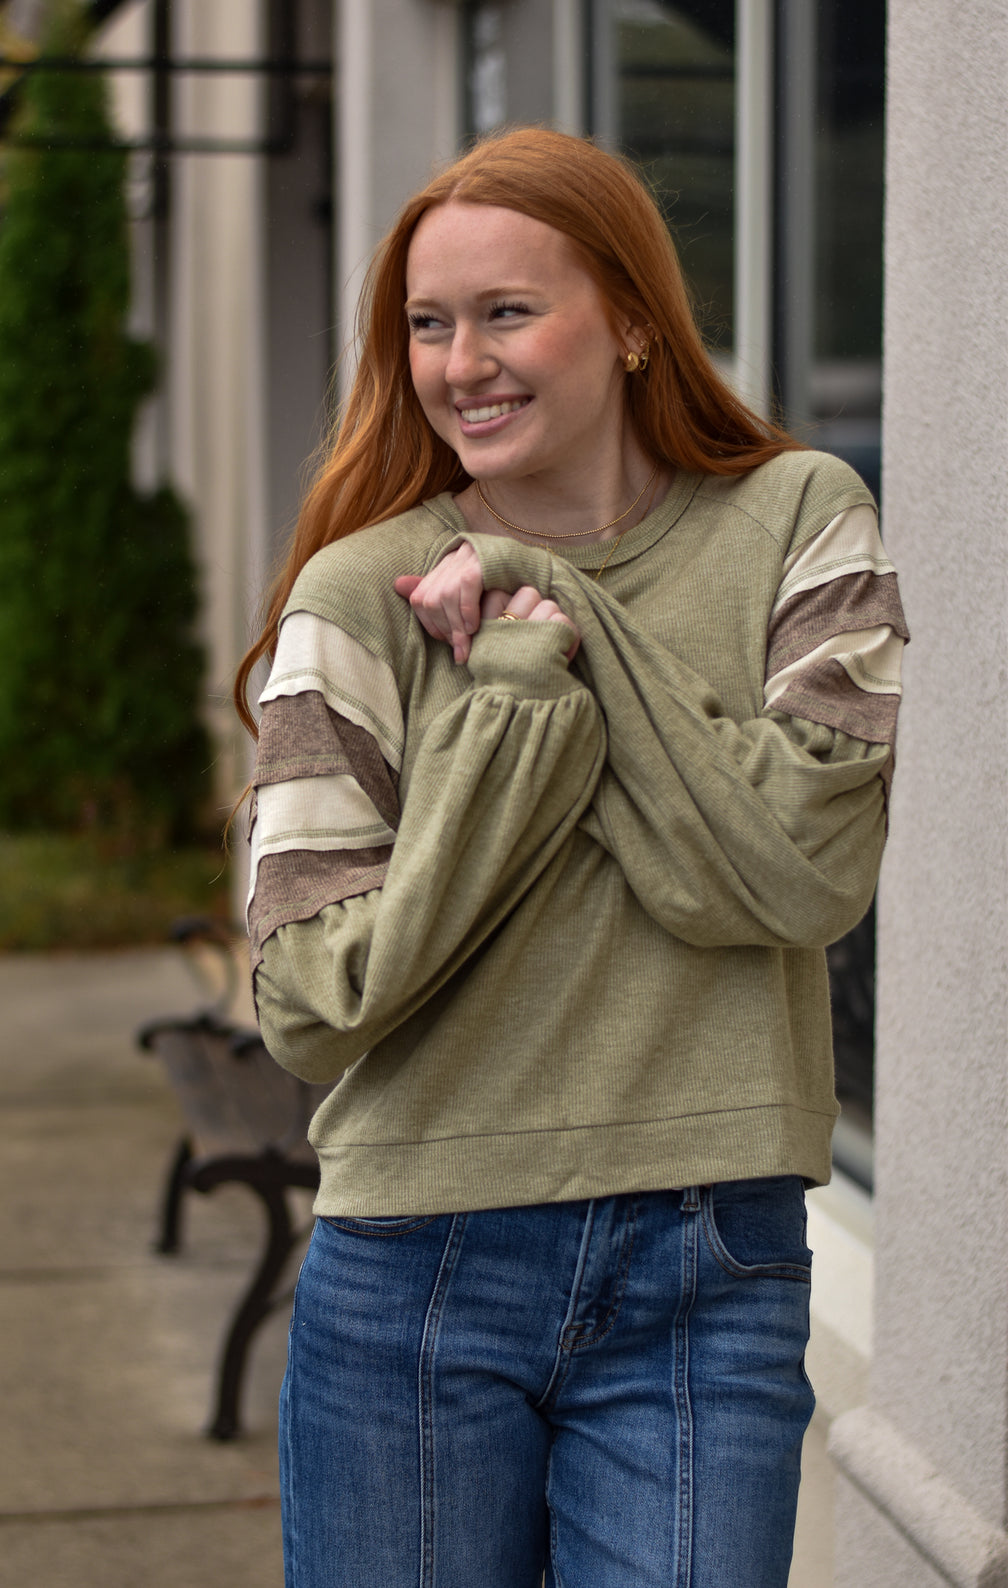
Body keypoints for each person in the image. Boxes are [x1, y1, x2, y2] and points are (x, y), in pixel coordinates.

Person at [235, 127, 906, 1588]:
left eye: (505, 312)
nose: (458, 361)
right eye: (426, 322)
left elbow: (798, 874)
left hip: (707, 1265)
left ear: (637, 325)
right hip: (414, 1271)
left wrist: (563, 617)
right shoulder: (364, 591)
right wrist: (516, 714)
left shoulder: (803, 523)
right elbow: (309, 998)